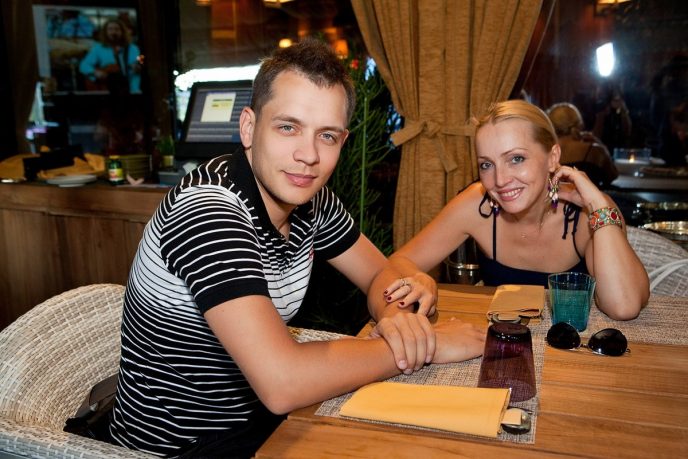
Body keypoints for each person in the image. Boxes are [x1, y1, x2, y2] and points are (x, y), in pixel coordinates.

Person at [107, 39, 485, 457]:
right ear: (248, 127)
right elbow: (283, 383)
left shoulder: (310, 199)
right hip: (182, 446)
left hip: (263, 423)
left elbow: (381, 274)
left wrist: (400, 320)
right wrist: (427, 346)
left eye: (327, 135)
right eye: (288, 127)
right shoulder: (208, 213)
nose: (308, 155)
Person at [387, 100, 649, 322]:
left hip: (573, 351)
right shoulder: (477, 204)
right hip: (501, 347)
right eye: (487, 164)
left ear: (553, 158)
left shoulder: (583, 214)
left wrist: (599, 206)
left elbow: (623, 306)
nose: (500, 180)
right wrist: (418, 277)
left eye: (516, 159)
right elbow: (398, 262)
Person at [547, 102, 618, 187]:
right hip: (588, 196)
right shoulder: (594, 150)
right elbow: (613, 176)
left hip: (553, 195)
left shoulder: (545, 151)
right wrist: (601, 145)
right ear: (579, 123)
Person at [79, 18, 142, 93]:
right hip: (107, 88)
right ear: (105, 32)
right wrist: (96, 72)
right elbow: (84, 65)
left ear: (122, 31)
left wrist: (139, 65)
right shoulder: (98, 48)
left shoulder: (134, 48)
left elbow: (141, 60)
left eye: (117, 29)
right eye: (110, 29)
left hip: (132, 89)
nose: (113, 32)